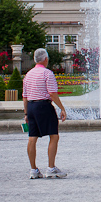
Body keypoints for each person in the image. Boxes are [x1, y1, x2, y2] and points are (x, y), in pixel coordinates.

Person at [24, 48, 68, 178]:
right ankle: (51, 168)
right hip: (43, 105)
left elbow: (25, 96)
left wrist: (26, 113)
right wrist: (62, 108)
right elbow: (52, 93)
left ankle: (33, 170)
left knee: (32, 137)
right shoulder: (47, 73)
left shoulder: (28, 74)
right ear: (46, 59)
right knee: (54, 136)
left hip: (31, 106)